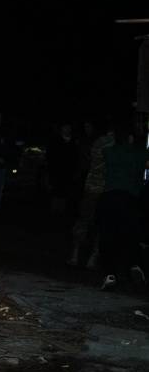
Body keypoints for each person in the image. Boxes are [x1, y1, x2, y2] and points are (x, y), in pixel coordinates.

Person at [97, 125, 149, 289]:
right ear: (131, 138)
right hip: (131, 198)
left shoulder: (109, 152)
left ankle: (109, 274)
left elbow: (102, 152)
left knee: (108, 235)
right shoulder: (140, 153)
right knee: (131, 234)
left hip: (110, 196)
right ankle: (134, 264)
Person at [68, 123, 115, 268]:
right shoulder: (114, 144)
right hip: (104, 188)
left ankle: (76, 255)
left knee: (84, 220)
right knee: (99, 224)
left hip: (91, 187)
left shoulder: (97, 142)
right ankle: (92, 256)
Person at [47, 123, 80, 218]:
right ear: (61, 129)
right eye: (65, 128)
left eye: (69, 128)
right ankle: (54, 213)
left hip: (69, 172)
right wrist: (51, 172)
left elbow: (76, 157)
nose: (67, 129)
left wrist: (75, 170)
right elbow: (50, 158)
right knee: (56, 192)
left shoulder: (74, 141)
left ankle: (63, 214)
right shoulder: (55, 141)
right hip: (57, 172)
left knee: (66, 193)